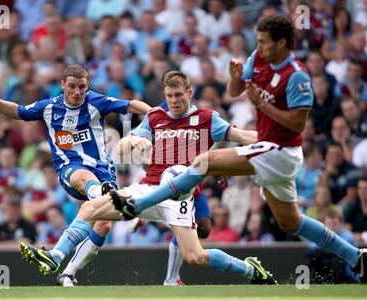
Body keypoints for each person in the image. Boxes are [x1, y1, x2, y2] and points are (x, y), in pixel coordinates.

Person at [110, 16, 367, 283]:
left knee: (203, 161)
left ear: (281, 43)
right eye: (258, 41)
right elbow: (234, 91)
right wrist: (234, 78)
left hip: (281, 150)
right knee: (291, 222)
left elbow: (298, 123)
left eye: (264, 42)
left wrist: (261, 105)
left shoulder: (297, 76)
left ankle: (138, 204)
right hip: (268, 152)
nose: (258, 46)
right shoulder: (258, 58)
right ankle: (356, 257)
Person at [20, 70, 277, 286]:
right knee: (91, 207)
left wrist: (275, 141)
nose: (174, 101)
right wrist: (134, 142)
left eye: (179, 95)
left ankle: (251, 270)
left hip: (179, 197)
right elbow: (123, 147)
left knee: (195, 257)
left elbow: (243, 136)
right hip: (148, 190)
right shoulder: (156, 118)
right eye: (169, 96)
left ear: (189, 94)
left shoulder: (207, 119)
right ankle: (56, 256)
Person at [0, 64, 151, 268]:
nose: (77, 92)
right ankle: (100, 194)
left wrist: (155, 115)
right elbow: (17, 111)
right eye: (72, 86)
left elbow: (132, 104)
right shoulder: (49, 107)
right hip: (70, 168)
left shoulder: (96, 102)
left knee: (103, 225)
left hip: (103, 170)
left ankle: (65, 269)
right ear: (62, 85)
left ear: (87, 86)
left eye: (82, 87)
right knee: (84, 178)